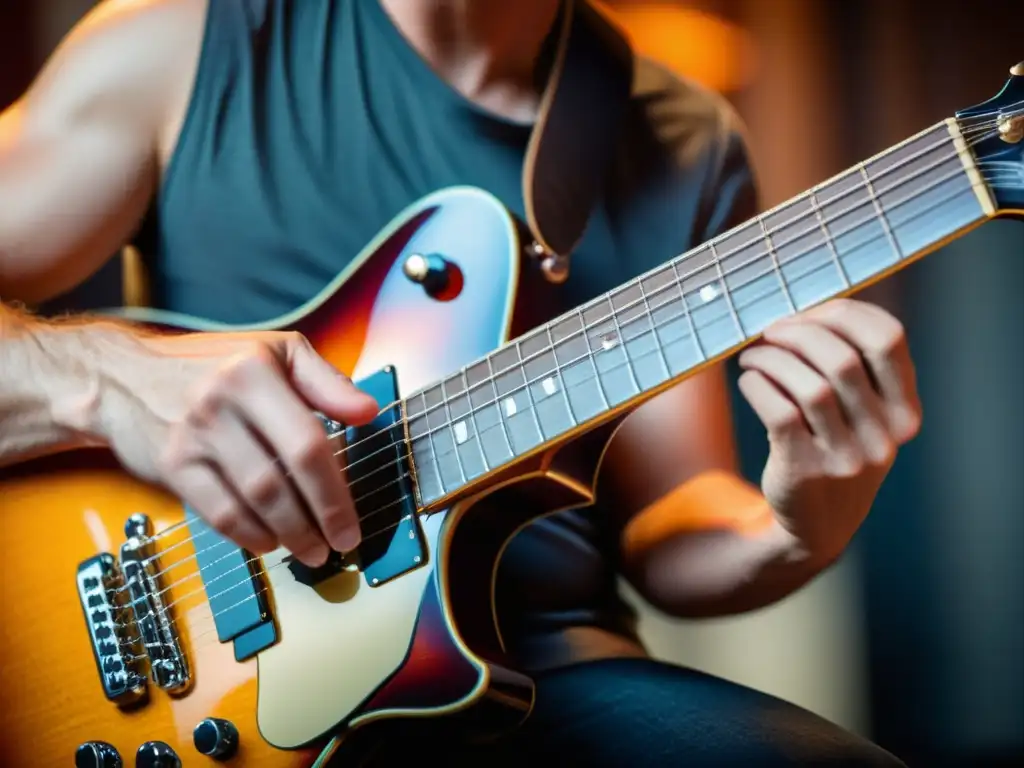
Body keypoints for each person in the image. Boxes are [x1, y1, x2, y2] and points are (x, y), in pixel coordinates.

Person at [0, 0, 921, 765]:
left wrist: (800, 525)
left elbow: (670, 515)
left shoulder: (677, 135)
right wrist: (106, 378)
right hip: (200, 677)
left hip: (533, 673)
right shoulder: (190, 41)